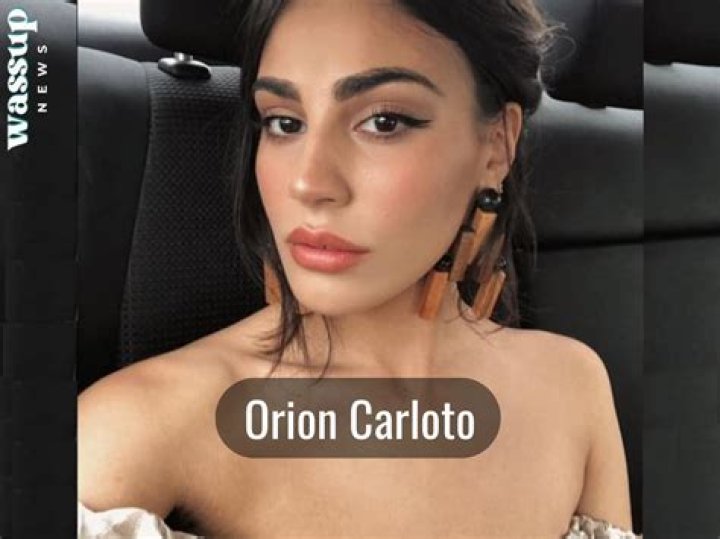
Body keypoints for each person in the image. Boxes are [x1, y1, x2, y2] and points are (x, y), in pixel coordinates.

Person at [78, 0, 641, 537]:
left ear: (496, 145)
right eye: (284, 123)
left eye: (384, 122)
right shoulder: (137, 430)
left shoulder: (573, 386)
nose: (309, 183)